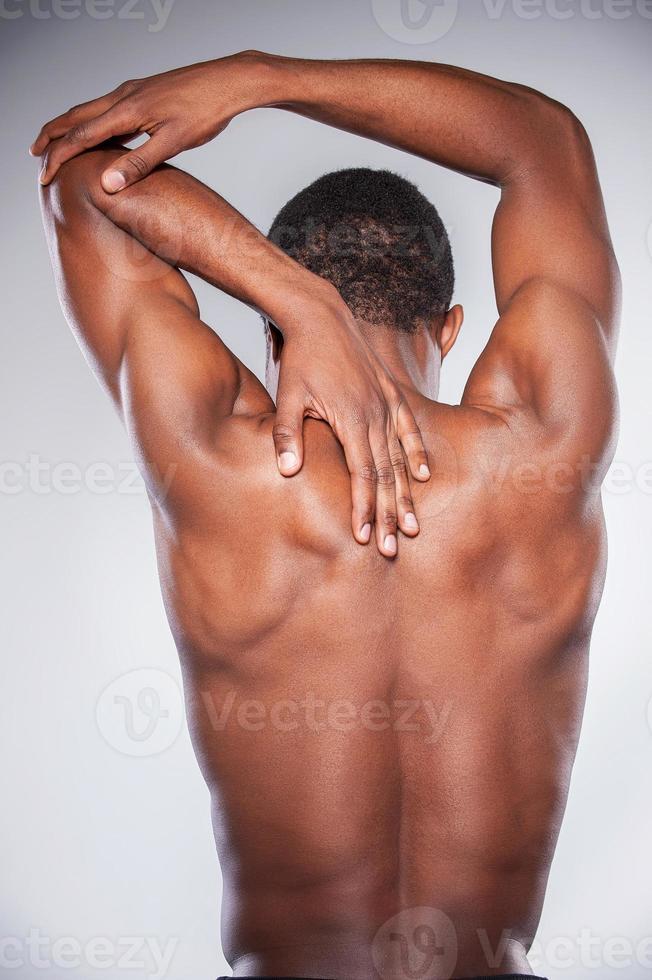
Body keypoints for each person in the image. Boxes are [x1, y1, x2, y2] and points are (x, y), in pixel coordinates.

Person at [35, 52, 619, 980]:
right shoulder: (550, 439)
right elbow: (541, 145)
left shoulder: (216, 453)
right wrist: (265, 79)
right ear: (452, 325)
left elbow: (80, 171)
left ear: (266, 332)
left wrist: (300, 305)